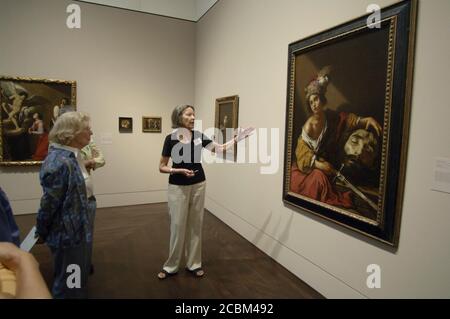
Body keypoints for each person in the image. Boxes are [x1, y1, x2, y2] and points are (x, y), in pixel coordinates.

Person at [157, 105, 253, 279]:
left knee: (195, 225)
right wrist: (178, 171)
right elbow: (161, 167)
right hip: (177, 187)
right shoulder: (170, 139)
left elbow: (220, 148)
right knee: (177, 226)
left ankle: (194, 264)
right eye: (189, 114)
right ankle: (171, 266)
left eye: (194, 114)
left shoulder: (199, 136)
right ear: (179, 117)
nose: (193, 117)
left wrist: (237, 139)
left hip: (199, 183)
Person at [290, 69, 382, 208]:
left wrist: (364, 121)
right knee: (319, 179)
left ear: (322, 99)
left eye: (316, 99)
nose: (315, 104)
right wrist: (319, 165)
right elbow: (301, 153)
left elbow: (344, 120)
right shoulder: (309, 126)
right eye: (311, 102)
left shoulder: (331, 117)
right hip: (306, 171)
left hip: (327, 167)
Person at [35, 111, 95, 298]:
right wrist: (41, 230)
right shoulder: (59, 162)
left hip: (75, 231)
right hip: (68, 235)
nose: (91, 133)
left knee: (75, 277)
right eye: (87, 129)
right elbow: (49, 203)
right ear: (72, 133)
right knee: (70, 282)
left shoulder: (70, 157)